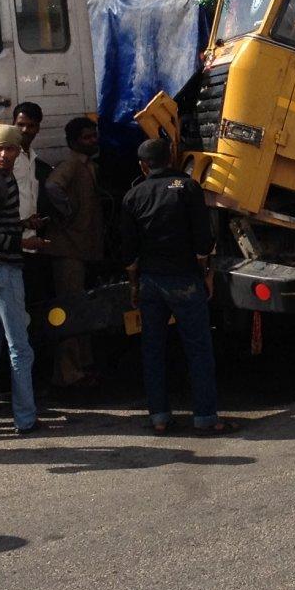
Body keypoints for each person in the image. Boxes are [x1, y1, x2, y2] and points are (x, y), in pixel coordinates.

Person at [119, 137, 232, 435]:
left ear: (143, 165)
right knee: (198, 350)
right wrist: (207, 273)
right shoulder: (188, 188)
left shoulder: (132, 196)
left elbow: (128, 252)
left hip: (150, 282)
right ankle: (206, 418)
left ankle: (159, 417)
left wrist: (134, 285)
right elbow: (203, 241)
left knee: (153, 350)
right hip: (185, 280)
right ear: (171, 158)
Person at [0, 124, 56, 439]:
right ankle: (26, 419)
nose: (4, 154)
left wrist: (22, 225)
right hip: (2, 271)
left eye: (11, 149)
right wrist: (24, 243)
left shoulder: (0, 179)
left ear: (19, 151)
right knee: (20, 348)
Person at [43, 117, 105, 386]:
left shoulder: (90, 167)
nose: (92, 141)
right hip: (68, 251)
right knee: (69, 315)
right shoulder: (70, 165)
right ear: (73, 142)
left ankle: (83, 366)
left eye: (94, 136)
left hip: (83, 249)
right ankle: (68, 373)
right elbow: (52, 186)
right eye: (86, 138)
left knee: (82, 313)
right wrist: (67, 212)